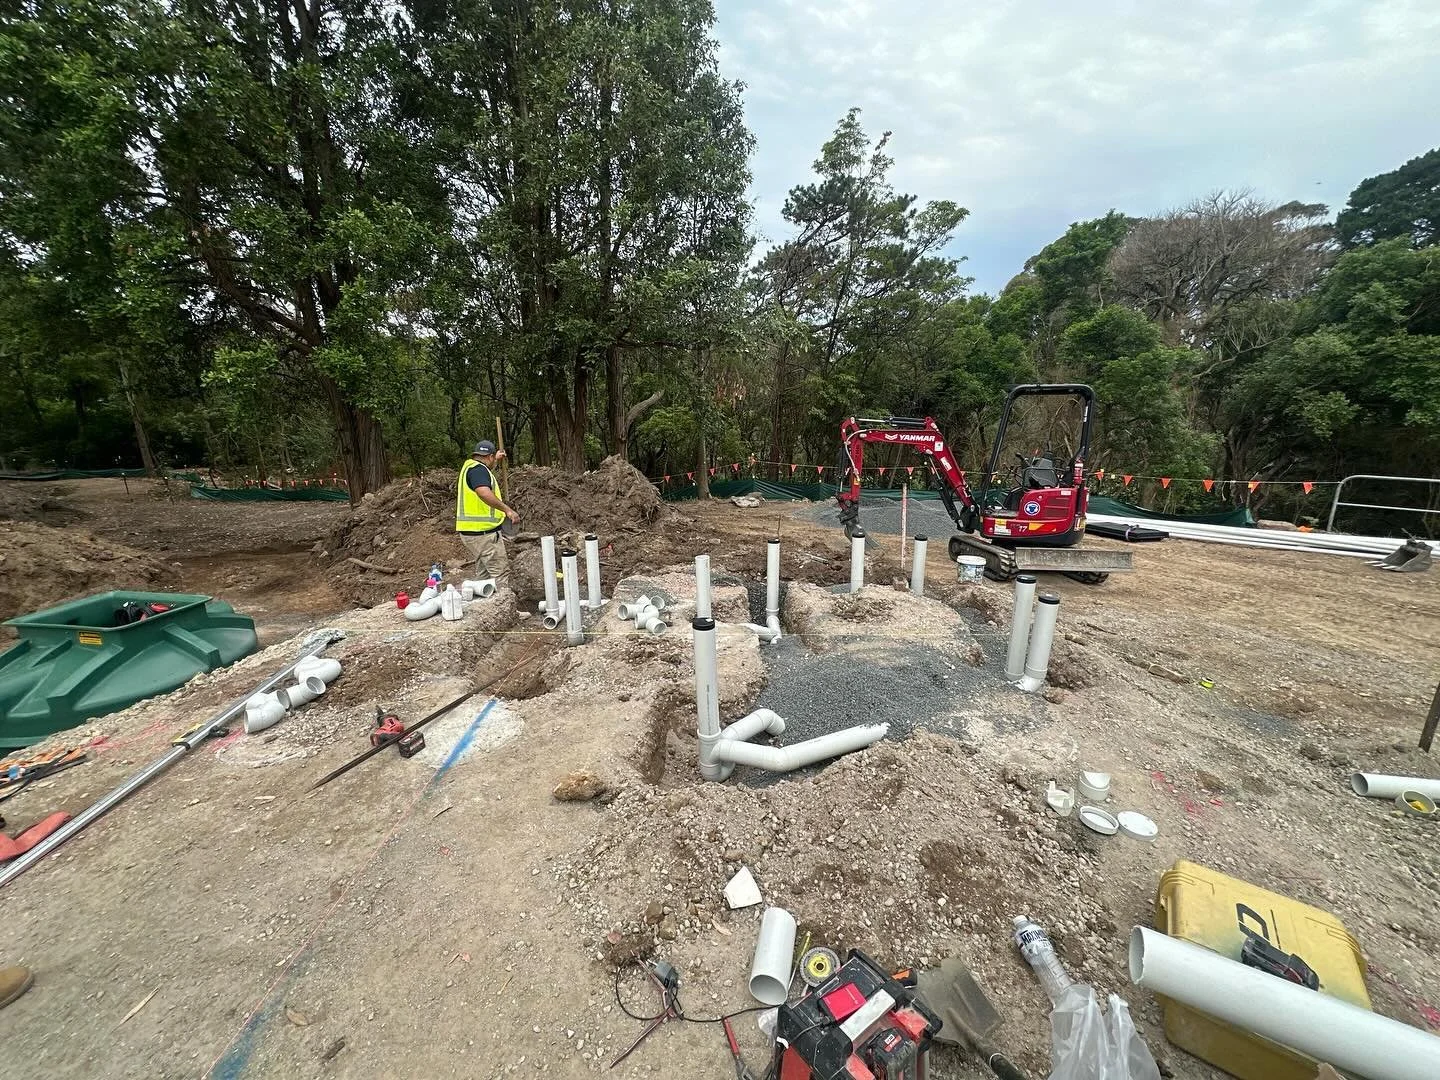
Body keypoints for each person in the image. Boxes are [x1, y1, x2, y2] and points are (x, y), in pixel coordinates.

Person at [456, 440, 517, 590]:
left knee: (483, 577)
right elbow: (483, 492)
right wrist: (506, 509)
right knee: (500, 574)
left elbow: (483, 476)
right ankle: (507, 611)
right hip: (483, 534)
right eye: (493, 459)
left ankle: (483, 609)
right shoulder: (479, 470)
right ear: (489, 457)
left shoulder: (470, 467)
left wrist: (496, 457)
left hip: (471, 533)